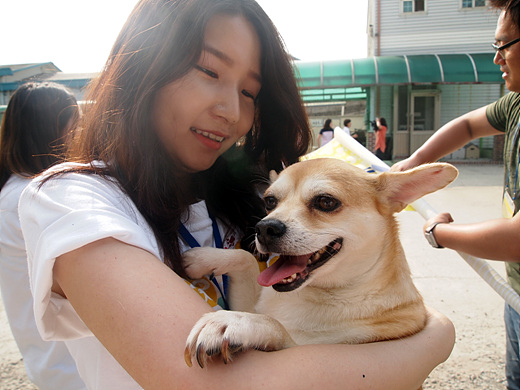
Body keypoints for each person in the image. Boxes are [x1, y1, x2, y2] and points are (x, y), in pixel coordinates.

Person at [18, 1, 454, 389]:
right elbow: (217, 383)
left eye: (250, 92)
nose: (231, 110)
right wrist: (435, 338)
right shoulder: (73, 202)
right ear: (141, 66)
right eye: (209, 71)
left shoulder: (229, 195)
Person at [391, 1, 520, 388]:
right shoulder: (515, 103)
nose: (496, 57)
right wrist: (413, 161)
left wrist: (440, 233)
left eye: (504, 45)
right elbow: (466, 125)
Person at [0, 82, 86, 389]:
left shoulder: (15, 189)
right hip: (69, 365)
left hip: (50, 360)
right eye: (74, 126)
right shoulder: (30, 198)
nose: (79, 135)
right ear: (50, 131)